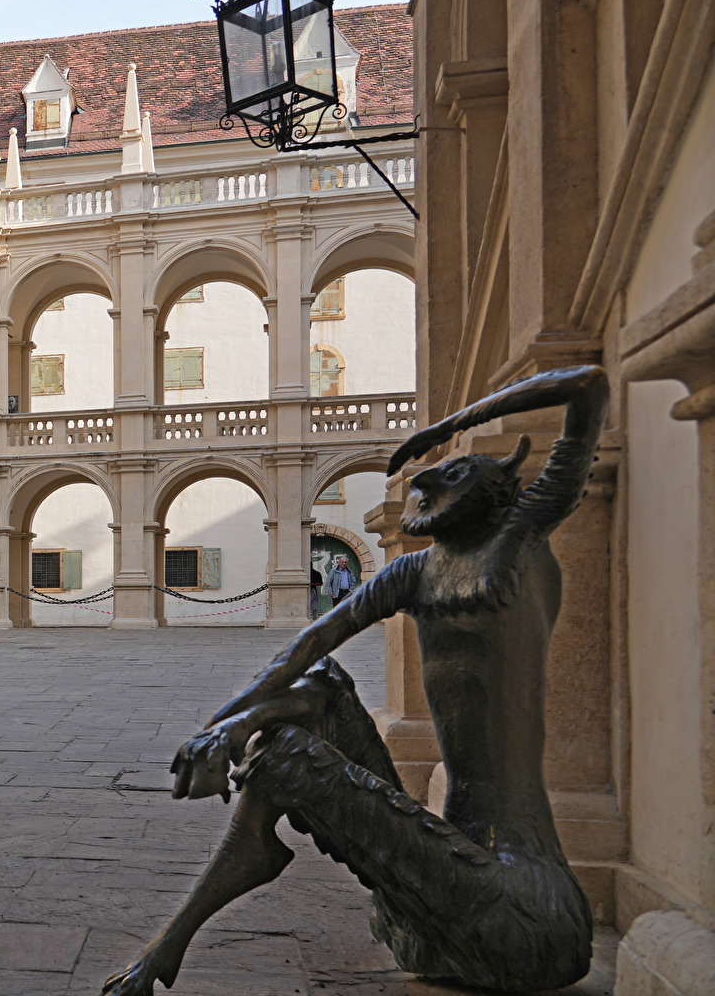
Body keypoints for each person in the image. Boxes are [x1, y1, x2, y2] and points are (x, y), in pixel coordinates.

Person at [103, 365, 607, 996]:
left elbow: (586, 387)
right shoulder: (418, 569)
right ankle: (247, 850)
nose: (427, 479)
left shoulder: (523, 538)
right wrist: (224, 726)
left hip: (524, 913)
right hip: (452, 882)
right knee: (320, 685)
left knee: (287, 751)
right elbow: (309, 643)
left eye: (453, 473)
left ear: (497, 490)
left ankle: (170, 941)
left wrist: (454, 425)